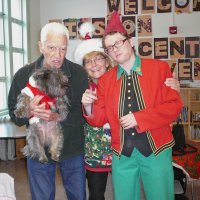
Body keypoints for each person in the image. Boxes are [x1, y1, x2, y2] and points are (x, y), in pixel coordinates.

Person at [81, 11, 183, 200]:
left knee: (160, 196)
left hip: (156, 150)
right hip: (122, 153)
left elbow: (174, 106)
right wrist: (88, 107)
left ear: (131, 42)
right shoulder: (105, 81)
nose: (115, 49)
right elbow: (99, 119)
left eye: (118, 43)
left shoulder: (159, 69)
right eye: (109, 48)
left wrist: (139, 118)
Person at [8, 22, 88, 200]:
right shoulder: (23, 75)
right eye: (51, 47)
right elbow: (14, 114)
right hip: (39, 150)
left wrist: (58, 116)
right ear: (41, 46)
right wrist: (27, 111)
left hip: (72, 148)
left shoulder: (79, 73)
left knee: (78, 196)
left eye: (62, 49)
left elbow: (84, 113)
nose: (57, 55)